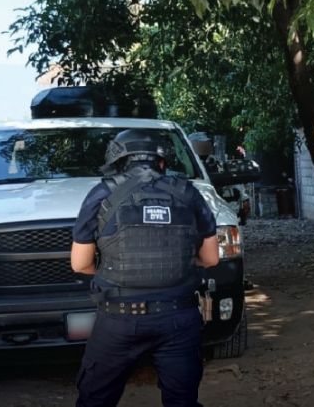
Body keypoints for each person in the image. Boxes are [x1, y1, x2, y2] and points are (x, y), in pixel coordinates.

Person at [70, 129, 220, 407]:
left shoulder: (101, 194)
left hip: (118, 319)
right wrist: (181, 264)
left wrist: (118, 272)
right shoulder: (188, 192)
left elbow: (80, 264)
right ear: (161, 162)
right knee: (182, 401)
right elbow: (211, 259)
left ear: (118, 162)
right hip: (178, 317)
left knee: (95, 401)